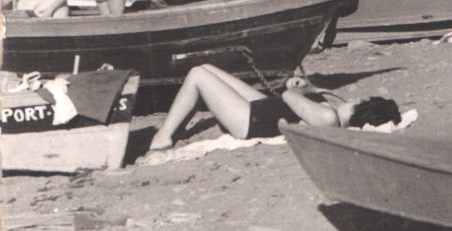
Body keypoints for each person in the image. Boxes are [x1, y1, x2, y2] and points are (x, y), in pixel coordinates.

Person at [147, 65, 402, 151]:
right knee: (208, 68)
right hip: (262, 109)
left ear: (361, 105)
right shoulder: (332, 112)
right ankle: (174, 128)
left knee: (198, 75)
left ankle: (163, 136)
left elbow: (289, 96)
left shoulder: (328, 117)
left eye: (361, 99)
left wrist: (301, 88)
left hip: (250, 121)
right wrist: (311, 88)